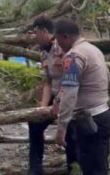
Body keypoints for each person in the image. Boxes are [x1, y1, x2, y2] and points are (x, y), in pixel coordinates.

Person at [54, 19, 110, 175]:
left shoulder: (73, 56)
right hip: (104, 115)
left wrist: (61, 129)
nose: (57, 44)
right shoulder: (94, 50)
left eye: (58, 40)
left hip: (89, 121)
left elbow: (69, 94)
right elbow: (109, 81)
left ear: (65, 36)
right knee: (100, 165)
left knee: (91, 168)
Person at [27, 16, 78, 175]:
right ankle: (35, 166)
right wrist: (42, 108)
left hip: (69, 97)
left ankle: (73, 167)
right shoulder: (43, 53)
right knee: (35, 123)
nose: (34, 37)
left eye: (35, 33)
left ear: (43, 31)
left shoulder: (63, 47)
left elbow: (70, 81)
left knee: (70, 131)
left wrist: (60, 103)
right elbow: (48, 82)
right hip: (54, 96)